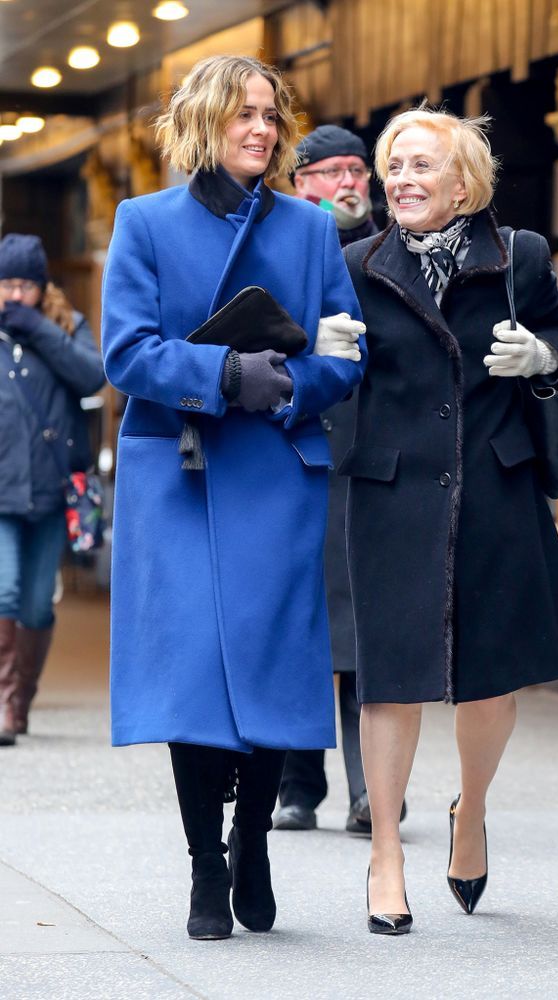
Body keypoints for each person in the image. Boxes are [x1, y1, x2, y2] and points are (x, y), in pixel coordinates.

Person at [101, 55, 365, 941]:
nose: (260, 128)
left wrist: (291, 386)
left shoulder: (309, 230)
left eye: (268, 114)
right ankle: (205, 865)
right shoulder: (142, 222)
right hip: (176, 474)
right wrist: (222, 371)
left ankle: (251, 839)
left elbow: (343, 350)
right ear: (201, 124)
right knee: (193, 676)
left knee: (271, 666)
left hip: (275, 470)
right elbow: (127, 353)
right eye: (241, 114)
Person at [340, 107, 558, 934]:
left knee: (489, 683)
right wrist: (324, 353)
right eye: (394, 167)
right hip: (391, 493)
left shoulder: (518, 256)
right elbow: (327, 373)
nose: (403, 181)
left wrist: (543, 354)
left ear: (462, 183)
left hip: (493, 489)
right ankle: (384, 853)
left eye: (420, 167)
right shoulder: (355, 265)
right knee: (390, 682)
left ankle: (470, 811)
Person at [275, 125, 382, 835]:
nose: (348, 182)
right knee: (297, 627)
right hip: (299, 453)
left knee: (366, 632)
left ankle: (371, 788)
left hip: (373, 458)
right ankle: (295, 786)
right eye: (330, 172)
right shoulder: (282, 243)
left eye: (358, 170)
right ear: (301, 181)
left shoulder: (390, 247)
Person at [0, 234, 105, 747]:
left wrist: (39, 331)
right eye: (7, 285)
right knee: (6, 589)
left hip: (47, 490)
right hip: (0, 490)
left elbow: (92, 377)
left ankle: (20, 701)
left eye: (26, 286)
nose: (15, 296)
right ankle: (2, 703)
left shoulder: (65, 326)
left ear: (43, 288)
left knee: (39, 604)